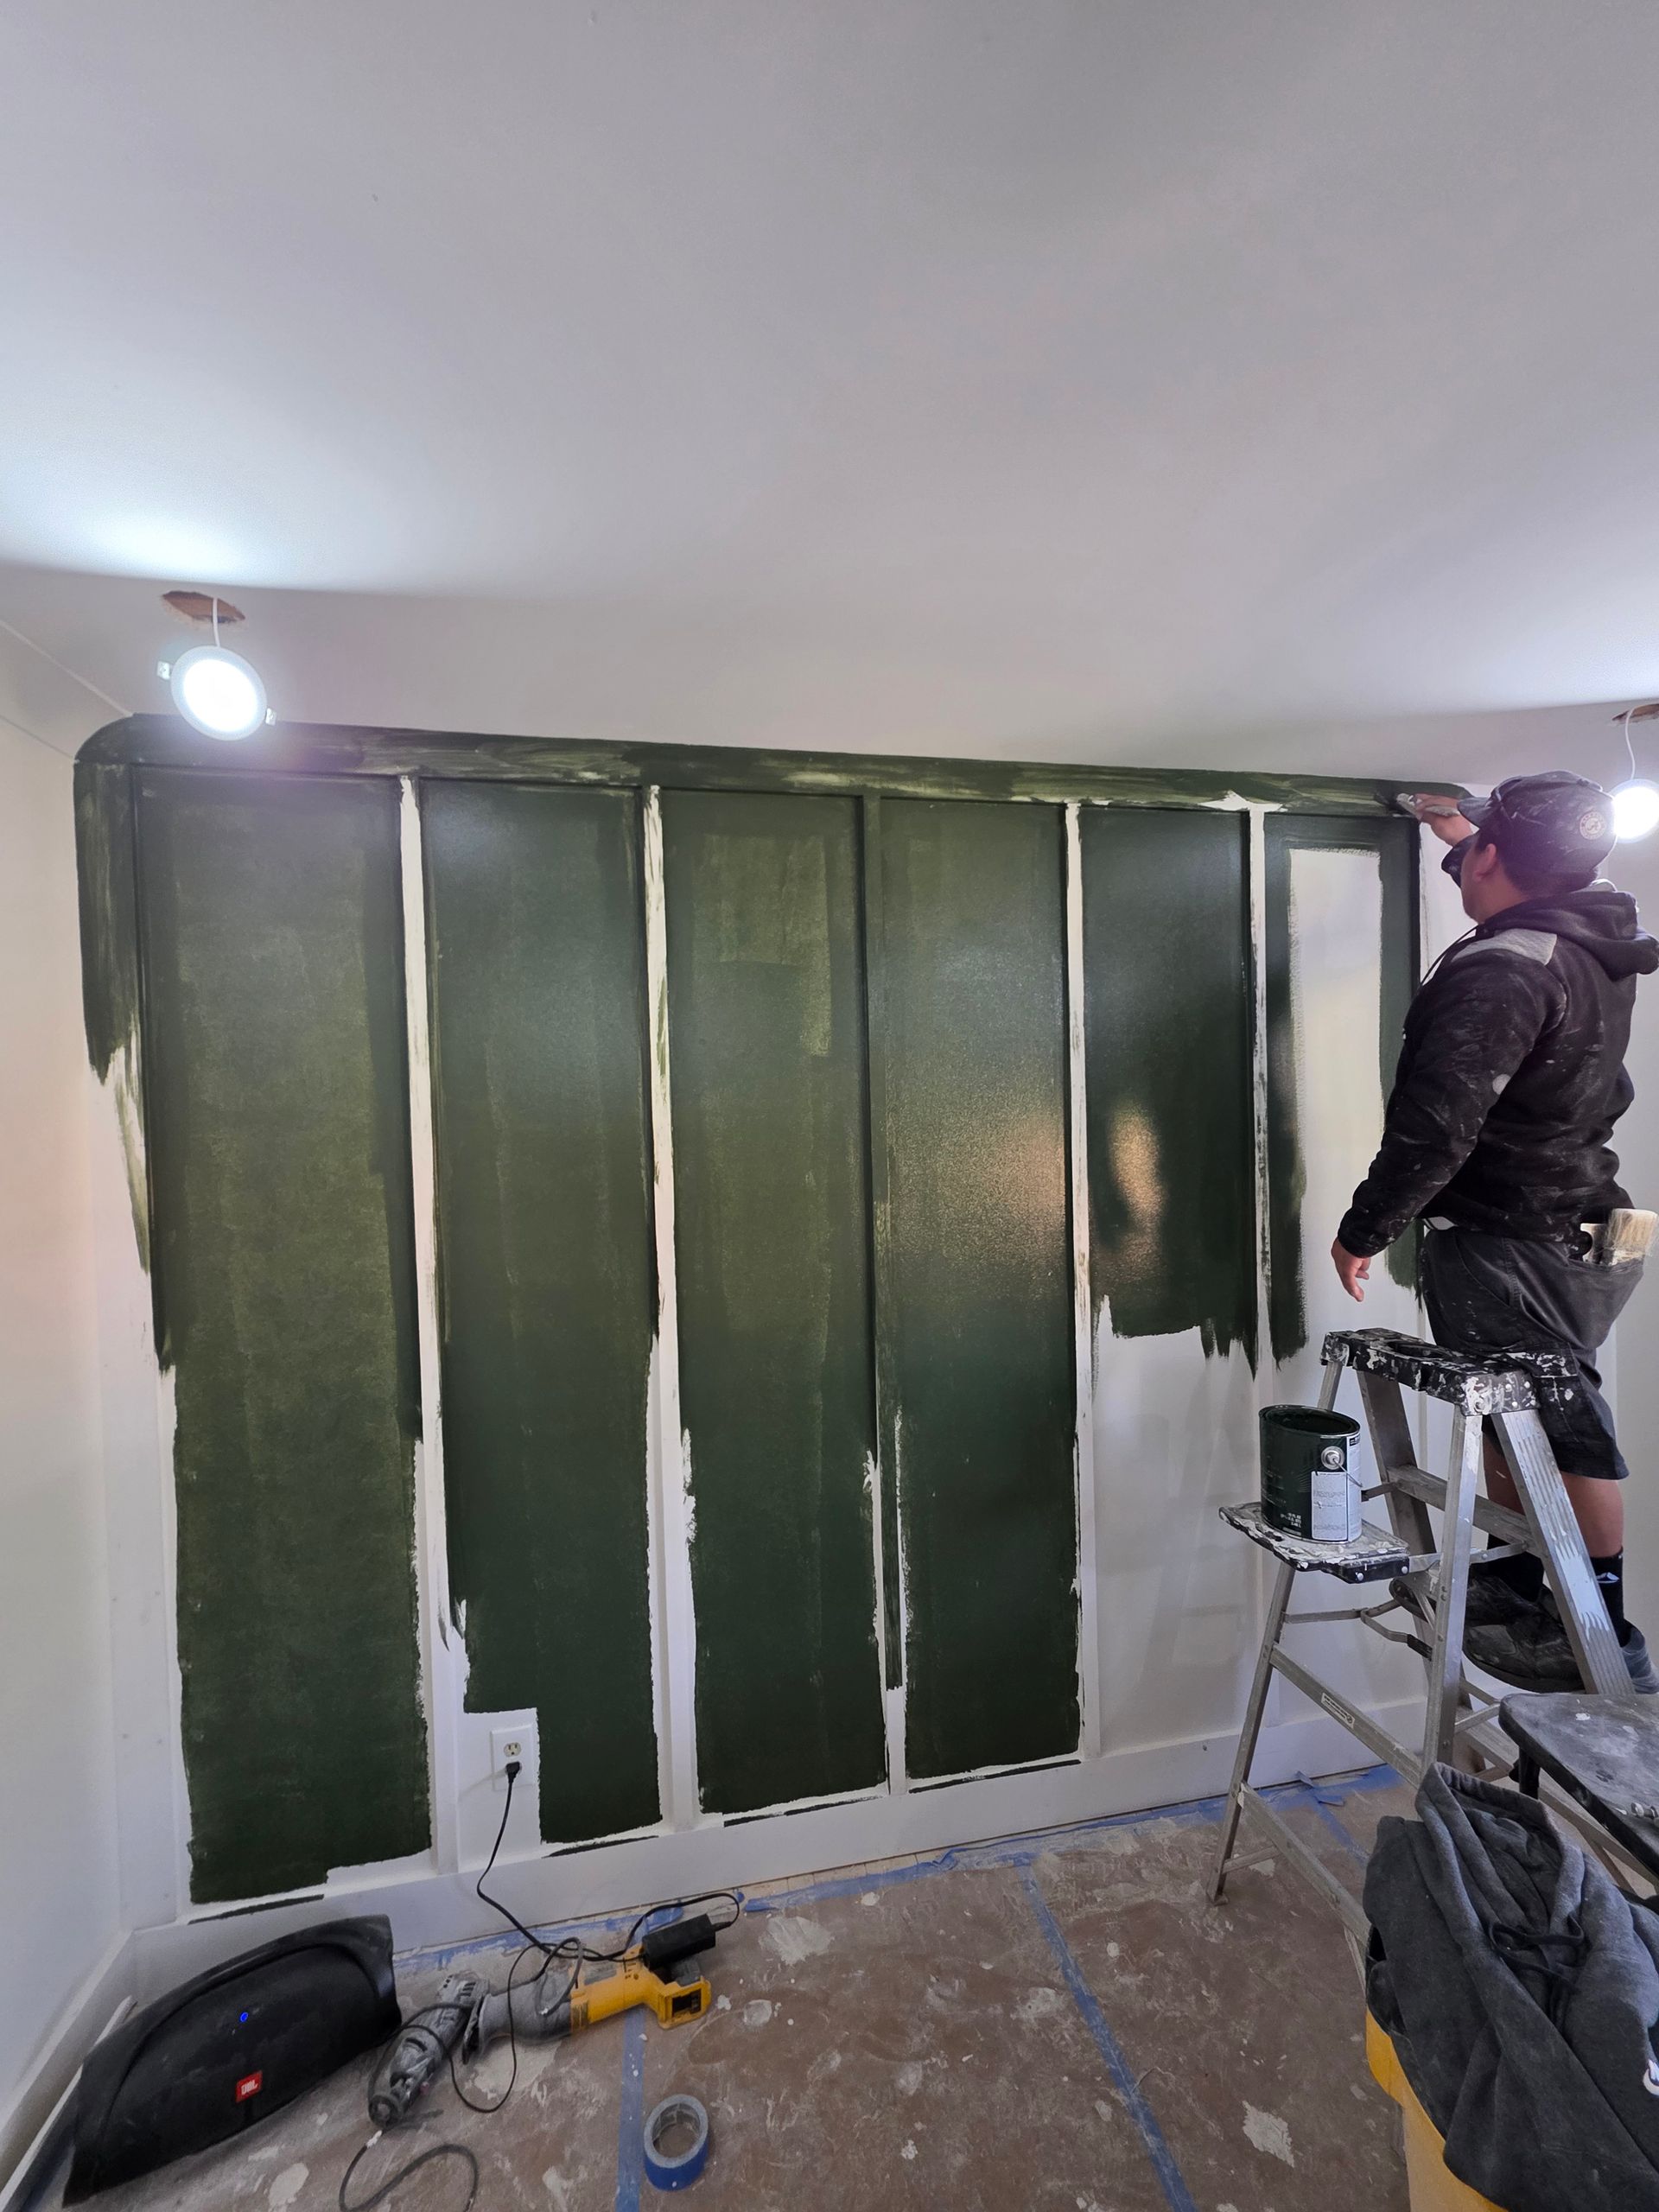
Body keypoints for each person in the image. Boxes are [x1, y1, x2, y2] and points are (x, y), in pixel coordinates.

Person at [1330, 771, 1658, 1691]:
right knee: (1527, 1423)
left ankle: (1588, 1622)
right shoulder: (1586, 933)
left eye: (1476, 849)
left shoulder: (1502, 973)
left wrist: (1365, 1230)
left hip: (1513, 1237)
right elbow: (1517, 889)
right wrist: (1460, 835)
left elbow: (1437, 1128)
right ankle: (1538, 1583)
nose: (1463, 860)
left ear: (1500, 858)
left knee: (1558, 1424)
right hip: (1572, 1216)